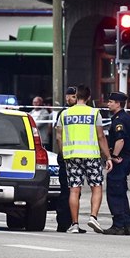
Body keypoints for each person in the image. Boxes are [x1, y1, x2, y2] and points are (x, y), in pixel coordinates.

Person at [56, 85, 113, 234]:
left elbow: (58, 136)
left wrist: (64, 153)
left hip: (72, 156)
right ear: (88, 97)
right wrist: (108, 157)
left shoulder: (65, 114)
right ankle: (93, 217)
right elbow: (101, 137)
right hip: (91, 155)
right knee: (97, 186)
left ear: (76, 96)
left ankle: (74, 223)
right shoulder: (94, 113)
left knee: (74, 190)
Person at [104, 91, 130, 235]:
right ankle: (126, 225)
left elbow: (120, 140)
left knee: (114, 192)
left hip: (119, 160)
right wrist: (129, 155)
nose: (108, 104)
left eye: (111, 102)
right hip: (127, 159)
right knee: (122, 192)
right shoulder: (129, 119)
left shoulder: (118, 120)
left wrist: (113, 156)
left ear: (118, 104)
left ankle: (118, 225)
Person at [53, 86, 78, 232]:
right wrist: (63, 154)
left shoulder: (75, 113)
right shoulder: (63, 113)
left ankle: (73, 222)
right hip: (67, 157)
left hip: (76, 157)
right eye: (68, 96)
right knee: (66, 192)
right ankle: (63, 223)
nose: (69, 99)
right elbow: (58, 136)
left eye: (72, 96)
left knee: (74, 192)